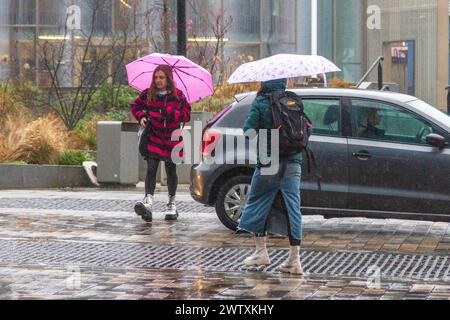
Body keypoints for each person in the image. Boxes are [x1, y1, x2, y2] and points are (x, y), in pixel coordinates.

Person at [238, 78, 304, 275]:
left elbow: (248, 132)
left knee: (259, 202)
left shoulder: (260, 102)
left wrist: (263, 131)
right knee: (293, 208)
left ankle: (261, 251)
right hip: (293, 162)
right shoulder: (293, 100)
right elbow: (308, 127)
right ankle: (295, 260)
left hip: (269, 162)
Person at [131, 65, 191, 222]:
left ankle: (171, 204)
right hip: (154, 136)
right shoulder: (148, 94)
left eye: (161, 77)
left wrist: (170, 113)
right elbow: (135, 106)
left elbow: (186, 115)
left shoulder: (178, 96)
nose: (158, 80)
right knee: (151, 168)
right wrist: (142, 117)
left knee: (171, 170)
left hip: (172, 138)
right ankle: (148, 202)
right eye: (156, 77)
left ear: (168, 79)